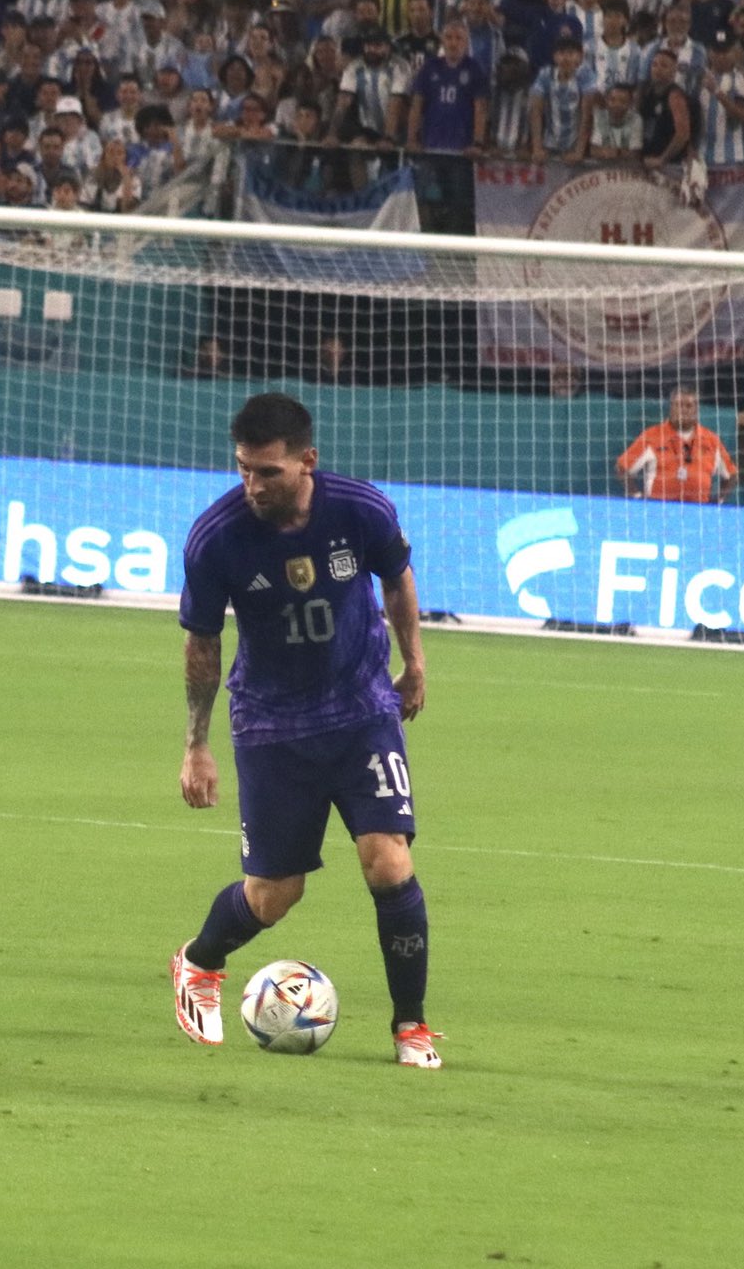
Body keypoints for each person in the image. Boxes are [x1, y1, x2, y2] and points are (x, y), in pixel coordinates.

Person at [171, 393, 441, 1069]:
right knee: (274, 895)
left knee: (389, 862)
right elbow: (202, 644)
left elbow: (397, 579)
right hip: (270, 723)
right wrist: (196, 744)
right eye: (243, 471)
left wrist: (414, 660)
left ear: (307, 462)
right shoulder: (217, 537)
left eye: (267, 472)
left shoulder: (361, 510)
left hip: (361, 711)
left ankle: (410, 1027)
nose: (252, 486)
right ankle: (198, 965)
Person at [615, 387, 738, 504]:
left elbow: (732, 475)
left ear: (697, 409)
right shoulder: (652, 436)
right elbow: (622, 467)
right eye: (678, 405)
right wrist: (637, 497)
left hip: (699, 513)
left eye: (689, 406)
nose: (683, 410)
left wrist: (719, 500)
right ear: (671, 407)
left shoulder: (711, 440)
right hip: (659, 510)